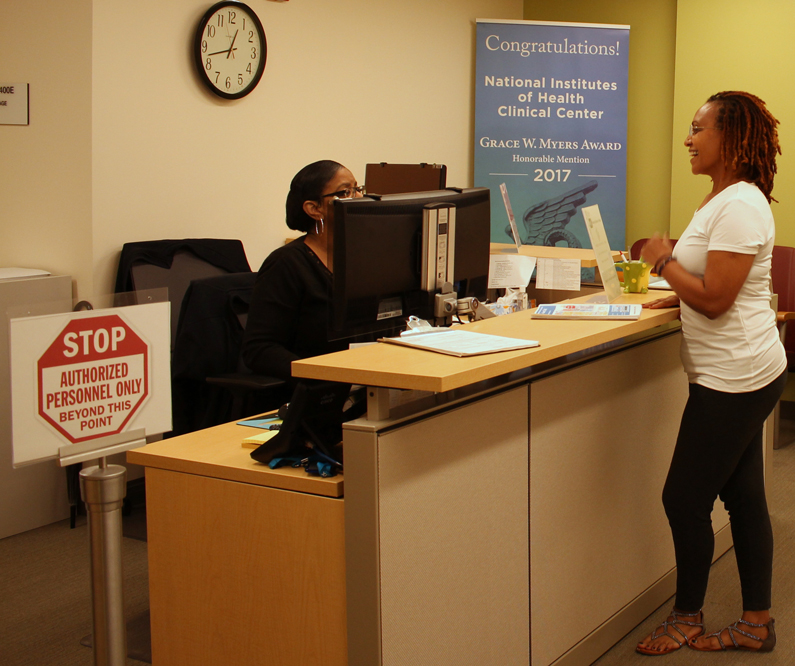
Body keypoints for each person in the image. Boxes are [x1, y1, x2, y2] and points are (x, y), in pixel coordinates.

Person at [636, 91, 786, 655]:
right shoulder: (719, 199)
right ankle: (756, 623)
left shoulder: (742, 205)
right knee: (744, 495)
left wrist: (663, 258)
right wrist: (672, 296)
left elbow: (720, 298)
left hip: (737, 377)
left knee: (683, 498)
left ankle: (686, 615)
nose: (688, 139)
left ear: (732, 138)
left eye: (698, 128)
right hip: (734, 371)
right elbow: (722, 286)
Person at [241, 160, 364, 387]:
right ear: (314, 209)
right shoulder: (286, 264)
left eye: (358, 189)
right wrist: (319, 375)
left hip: (366, 380)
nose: (358, 198)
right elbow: (259, 350)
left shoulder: (364, 257)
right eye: (346, 192)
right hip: (317, 392)